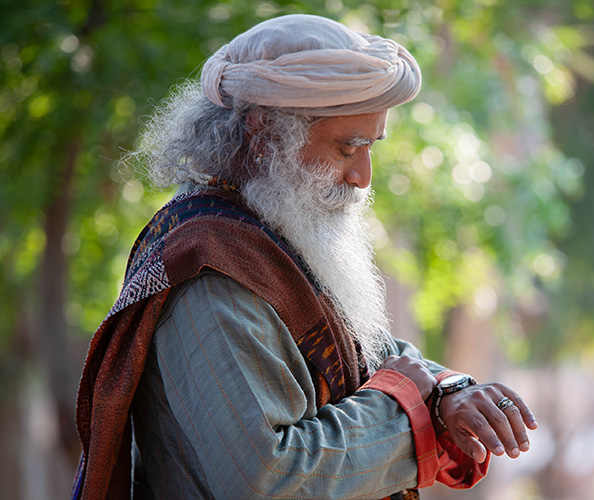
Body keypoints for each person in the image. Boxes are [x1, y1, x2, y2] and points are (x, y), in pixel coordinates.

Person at [72, 14, 537, 500]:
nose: (363, 176)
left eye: (371, 147)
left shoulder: (273, 238)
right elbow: (266, 480)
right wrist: (408, 411)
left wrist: (447, 394)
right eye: (347, 148)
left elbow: (369, 353)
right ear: (265, 131)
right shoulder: (211, 271)